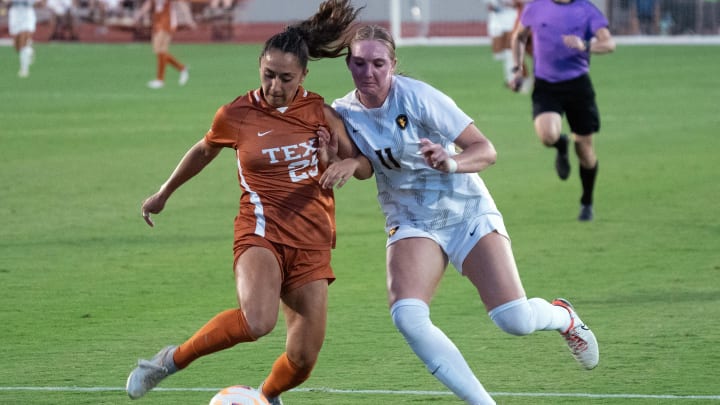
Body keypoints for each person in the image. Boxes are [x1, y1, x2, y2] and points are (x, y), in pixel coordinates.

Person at [318, 24, 600, 405]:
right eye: (359, 63)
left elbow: (486, 150)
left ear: (394, 63)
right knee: (408, 317)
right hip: (411, 219)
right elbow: (369, 163)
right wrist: (348, 163)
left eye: (378, 64)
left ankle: (563, 318)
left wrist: (450, 162)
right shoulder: (345, 111)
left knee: (513, 320)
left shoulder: (419, 98)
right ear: (348, 63)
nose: (368, 73)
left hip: (465, 212)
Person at [125, 1, 361, 403]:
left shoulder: (320, 112)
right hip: (261, 231)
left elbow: (362, 165)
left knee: (303, 358)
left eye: (286, 78)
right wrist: (164, 193)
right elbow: (204, 150)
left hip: (312, 241)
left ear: (303, 74)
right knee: (257, 320)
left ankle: (265, 396)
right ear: (259, 67)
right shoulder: (237, 114)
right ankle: (168, 361)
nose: (275, 86)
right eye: (268, 75)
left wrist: (342, 162)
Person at [509, 0, 615, 221]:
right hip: (546, 85)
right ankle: (560, 144)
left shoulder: (586, 10)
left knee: (585, 152)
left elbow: (609, 44)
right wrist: (517, 67)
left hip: (578, 87)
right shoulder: (535, 7)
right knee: (547, 136)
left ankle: (587, 201)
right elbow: (519, 36)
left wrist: (585, 45)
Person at [133, 0, 195, 89]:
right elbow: (148, 4)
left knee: (161, 50)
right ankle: (182, 68)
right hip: (158, 23)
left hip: (168, 23)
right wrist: (139, 15)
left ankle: (160, 79)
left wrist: (189, 19)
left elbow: (182, 4)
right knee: (158, 51)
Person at [7, 0, 41, 78]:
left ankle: (24, 70)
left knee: (23, 41)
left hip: (27, 14)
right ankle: (29, 50)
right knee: (17, 47)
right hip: (15, 15)